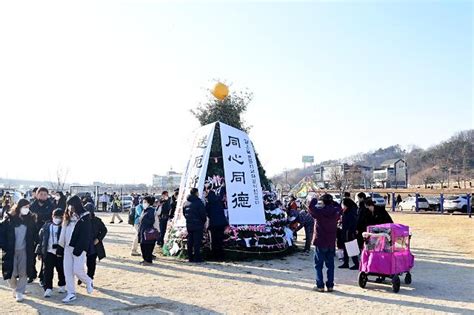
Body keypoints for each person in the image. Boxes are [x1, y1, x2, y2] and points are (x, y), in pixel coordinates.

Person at [58, 195, 93, 303]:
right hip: (67, 248)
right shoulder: (67, 217)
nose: (69, 207)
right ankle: (71, 293)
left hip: (78, 248)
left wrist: (79, 249)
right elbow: (63, 232)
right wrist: (60, 246)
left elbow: (85, 235)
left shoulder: (84, 217)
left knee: (77, 269)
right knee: (67, 271)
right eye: (68, 205)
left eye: (71, 205)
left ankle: (88, 281)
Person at [1, 199, 37, 302]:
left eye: (28, 207)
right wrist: (3, 246)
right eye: (25, 207)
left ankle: (20, 292)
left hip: (25, 250)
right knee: (11, 272)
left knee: (23, 272)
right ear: (19, 207)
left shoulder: (30, 220)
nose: (27, 209)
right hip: (10, 250)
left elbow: (35, 234)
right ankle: (15, 288)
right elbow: (2, 233)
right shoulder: (9, 220)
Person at [308, 194, 341, 293]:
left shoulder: (319, 212)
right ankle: (330, 285)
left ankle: (320, 285)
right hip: (331, 241)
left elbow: (310, 208)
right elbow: (339, 207)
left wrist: (315, 198)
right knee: (330, 265)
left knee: (318, 265)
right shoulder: (336, 212)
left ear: (323, 202)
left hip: (320, 240)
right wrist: (331, 202)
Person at [36, 209, 66, 297]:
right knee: (47, 271)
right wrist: (39, 252)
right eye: (56, 217)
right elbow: (41, 240)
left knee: (61, 269)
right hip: (48, 252)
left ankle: (62, 284)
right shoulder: (46, 226)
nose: (58, 219)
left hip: (60, 252)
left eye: (60, 217)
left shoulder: (64, 227)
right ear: (52, 217)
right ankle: (48, 288)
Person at [80, 203, 107, 284]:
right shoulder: (81, 221)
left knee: (91, 263)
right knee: (80, 263)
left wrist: (98, 239)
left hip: (93, 246)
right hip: (82, 245)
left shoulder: (97, 221)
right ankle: (82, 277)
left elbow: (104, 230)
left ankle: (89, 278)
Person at [183, 188, 206, 263]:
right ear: (196, 193)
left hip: (189, 224)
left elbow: (184, 214)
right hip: (198, 224)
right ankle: (197, 258)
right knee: (197, 242)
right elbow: (203, 214)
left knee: (190, 241)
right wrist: (203, 221)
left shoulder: (186, 203)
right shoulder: (199, 202)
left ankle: (190, 257)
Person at [205, 186, 228, 261]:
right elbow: (222, 193)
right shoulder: (219, 201)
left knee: (213, 241)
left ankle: (214, 256)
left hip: (212, 224)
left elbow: (207, 214)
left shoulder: (208, 204)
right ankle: (221, 256)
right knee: (220, 240)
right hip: (221, 223)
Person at [338, 198, 359, 270]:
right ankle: (346, 262)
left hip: (349, 233)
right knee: (345, 248)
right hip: (345, 231)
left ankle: (356, 263)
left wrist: (350, 231)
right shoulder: (346, 211)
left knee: (351, 248)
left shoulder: (351, 212)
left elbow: (352, 223)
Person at [137, 196, 156, 265]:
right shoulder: (144, 210)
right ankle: (145, 259)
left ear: (149, 203)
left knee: (147, 246)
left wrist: (144, 221)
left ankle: (148, 260)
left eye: (145, 202)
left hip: (148, 232)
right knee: (143, 246)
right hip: (142, 231)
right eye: (143, 202)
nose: (143, 203)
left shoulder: (151, 210)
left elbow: (151, 221)